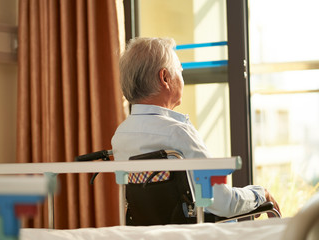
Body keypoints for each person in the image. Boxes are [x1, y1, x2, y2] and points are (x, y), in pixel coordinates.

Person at [111, 37, 281, 218]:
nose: (182, 78)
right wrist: (260, 194)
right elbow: (223, 204)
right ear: (165, 78)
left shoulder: (120, 136)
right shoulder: (178, 133)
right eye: (180, 71)